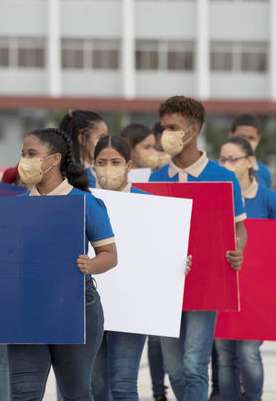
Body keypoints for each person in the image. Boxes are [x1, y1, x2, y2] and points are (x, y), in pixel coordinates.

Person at [149, 96, 247, 401]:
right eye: (163, 127)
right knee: (174, 368)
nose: (165, 133)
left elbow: (239, 229)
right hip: (166, 285)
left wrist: (238, 249)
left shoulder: (224, 178)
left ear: (193, 130)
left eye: (172, 127)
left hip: (207, 284)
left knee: (194, 364)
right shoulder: (155, 178)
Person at [8, 127, 118, 401]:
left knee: (76, 394)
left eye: (32, 154)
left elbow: (109, 254)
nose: (25, 160)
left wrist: (91, 265)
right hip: (25, 308)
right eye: (23, 154)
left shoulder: (86, 203)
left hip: (76, 306)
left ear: (54, 159)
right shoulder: (14, 206)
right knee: (23, 393)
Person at [90, 134, 191, 401]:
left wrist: (179, 261)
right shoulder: (83, 201)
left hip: (132, 307)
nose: (108, 167)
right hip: (90, 306)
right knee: (95, 386)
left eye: (115, 161)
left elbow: (163, 252)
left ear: (128, 165)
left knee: (123, 383)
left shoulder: (149, 206)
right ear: (92, 165)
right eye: (102, 161)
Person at [214, 136, 276, 401]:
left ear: (250, 162)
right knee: (225, 354)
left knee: (249, 353)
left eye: (233, 159)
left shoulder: (272, 201)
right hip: (223, 285)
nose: (226, 164)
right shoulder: (216, 196)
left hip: (257, 290)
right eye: (222, 159)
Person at [59, 109, 109, 187]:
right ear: (82, 139)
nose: (106, 142)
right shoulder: (76, 177)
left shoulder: (96, 170)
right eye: (101, 137)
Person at [228, 114, 272, 188]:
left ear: (258, 139)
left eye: (251, 138)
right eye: (241, 137)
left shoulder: (264, 173)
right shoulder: (216, 170)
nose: (246, 142)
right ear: (230, 136)